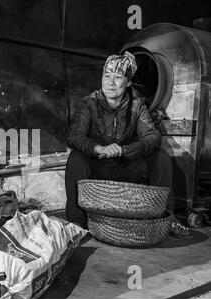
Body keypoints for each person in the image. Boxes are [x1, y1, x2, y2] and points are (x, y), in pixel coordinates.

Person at [64, 51, 180, 231]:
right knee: (75, 159)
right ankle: (76, 221)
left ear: (128, 82)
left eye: (118, 77)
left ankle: (166, 218)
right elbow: (74, 135)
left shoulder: (137, 106)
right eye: (107, 76)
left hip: (125, 167)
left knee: (161, 157)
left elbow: (152, 136)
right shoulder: (89, 103)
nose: (110, 83)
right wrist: (98, 148)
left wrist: (125, 150)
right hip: (98, 167)